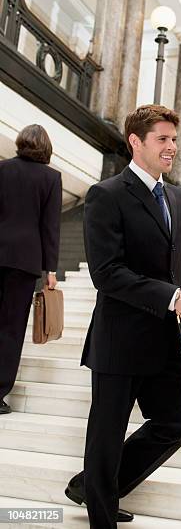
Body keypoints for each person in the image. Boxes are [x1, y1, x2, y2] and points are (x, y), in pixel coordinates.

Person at [65, 104, 181, 528]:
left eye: (174, 140)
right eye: (163, 139)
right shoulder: (106, 195)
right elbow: (106, 274)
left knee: (174, 425)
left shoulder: (178, 198)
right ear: (135, 141)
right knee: (106, 435)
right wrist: (173, 299)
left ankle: (92, 486)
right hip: (120, 337)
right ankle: (101, 512)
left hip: (165, 338)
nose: (172, 148)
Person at [0, 125, 61, 414]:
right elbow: (50, 226)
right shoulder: (51, 178)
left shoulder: (3, 169)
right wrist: (50, 268)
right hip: (25, 262)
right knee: (11, 329)